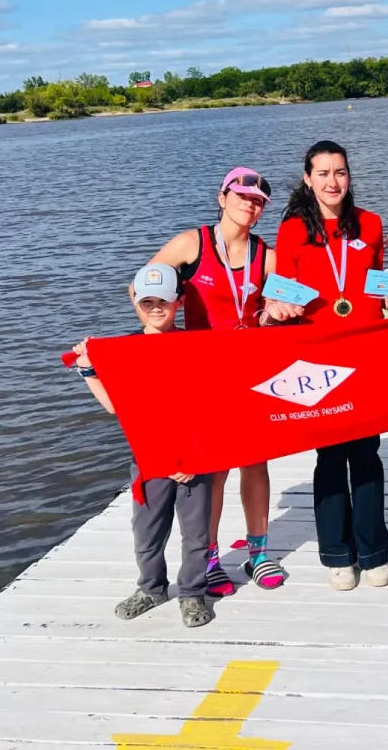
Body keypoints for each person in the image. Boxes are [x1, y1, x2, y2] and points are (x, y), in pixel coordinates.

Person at [267, 141, 388, 591]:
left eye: (340, 172)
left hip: (363, 354)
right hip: (317, 359)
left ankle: (374, 551)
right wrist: (277, 307)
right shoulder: (292, 230)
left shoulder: (371, 223)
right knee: (329, 455)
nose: (333, 181)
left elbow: (375, 283)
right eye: (323, 173)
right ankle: (337, 554)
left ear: (349, 176)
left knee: (366, 453)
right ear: (308, 179)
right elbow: (280, 291)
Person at [142, 167, 283, 595]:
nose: (249, 205)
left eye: (257, 202)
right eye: (241, 197)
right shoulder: (192, 244)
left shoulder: (267, 256)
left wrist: (273, 314)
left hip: (250, 372)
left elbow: (272, 310)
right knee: (214, 470)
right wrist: (156, 333)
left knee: (256, 463)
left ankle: (259, 551)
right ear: (222, 198)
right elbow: (142, 288)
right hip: (202, 374)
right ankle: (211, 555)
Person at [73, 263, 213, 628]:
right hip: (150, 459)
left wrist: (193, 457)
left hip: (194, 459)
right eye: (147, 301)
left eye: (164, 300)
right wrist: (89, 370)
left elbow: (209, 407)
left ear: (179, 302)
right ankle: (151, 588)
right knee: (147, 531)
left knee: (196, 534)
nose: (156, 308)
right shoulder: (126, 350)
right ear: (135, 303)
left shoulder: (198, 346)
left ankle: (192, 593)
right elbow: (116, 407)